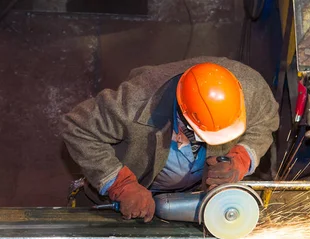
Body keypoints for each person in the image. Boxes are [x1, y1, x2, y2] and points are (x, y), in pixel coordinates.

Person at [63, 56, 279, 222]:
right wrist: (121, 185)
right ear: (184, 113)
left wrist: (241, 157)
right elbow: (77, 127)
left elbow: (265, 122)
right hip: (132, 197)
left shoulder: (252, 89)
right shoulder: (133, 104)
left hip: (190, 195)